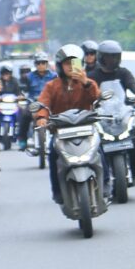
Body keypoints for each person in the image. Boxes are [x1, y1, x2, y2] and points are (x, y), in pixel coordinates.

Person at [34, 44, 101, 203]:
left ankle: (105, 184)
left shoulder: (88, 83)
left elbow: (97, 98)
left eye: (74, 63)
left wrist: (85, 82)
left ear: (81, 64)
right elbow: (43, 104)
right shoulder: (52, 86)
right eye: (67, 63)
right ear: (60, 66)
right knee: (53, 156)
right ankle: (57, 191)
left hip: (86, 128)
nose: (71, 67)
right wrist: (41, 117)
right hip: (61, 130)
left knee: (101, 151)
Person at [87, 40, 135, 168]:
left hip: (123, 112)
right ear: (101, 57)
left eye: (115, 56)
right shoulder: (93, 75)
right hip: (101, 115)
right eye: (108, 57)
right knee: (88, 132)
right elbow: (88, 93)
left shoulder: (123, 73)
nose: (112, 60)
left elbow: (133, 85)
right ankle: (92, 164)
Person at [18, 51, 56, 150]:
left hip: (49, 104)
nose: (41, 65)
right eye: (38, 63)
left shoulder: (54, 76)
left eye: (43, 63)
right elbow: (23, 90)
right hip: (33, 103)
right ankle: (22, 140)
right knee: (24, 115)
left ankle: (59, 139)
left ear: (47, 64)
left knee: (58, 116)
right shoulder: (28, 77)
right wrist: (21, 95)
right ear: (35, 64)